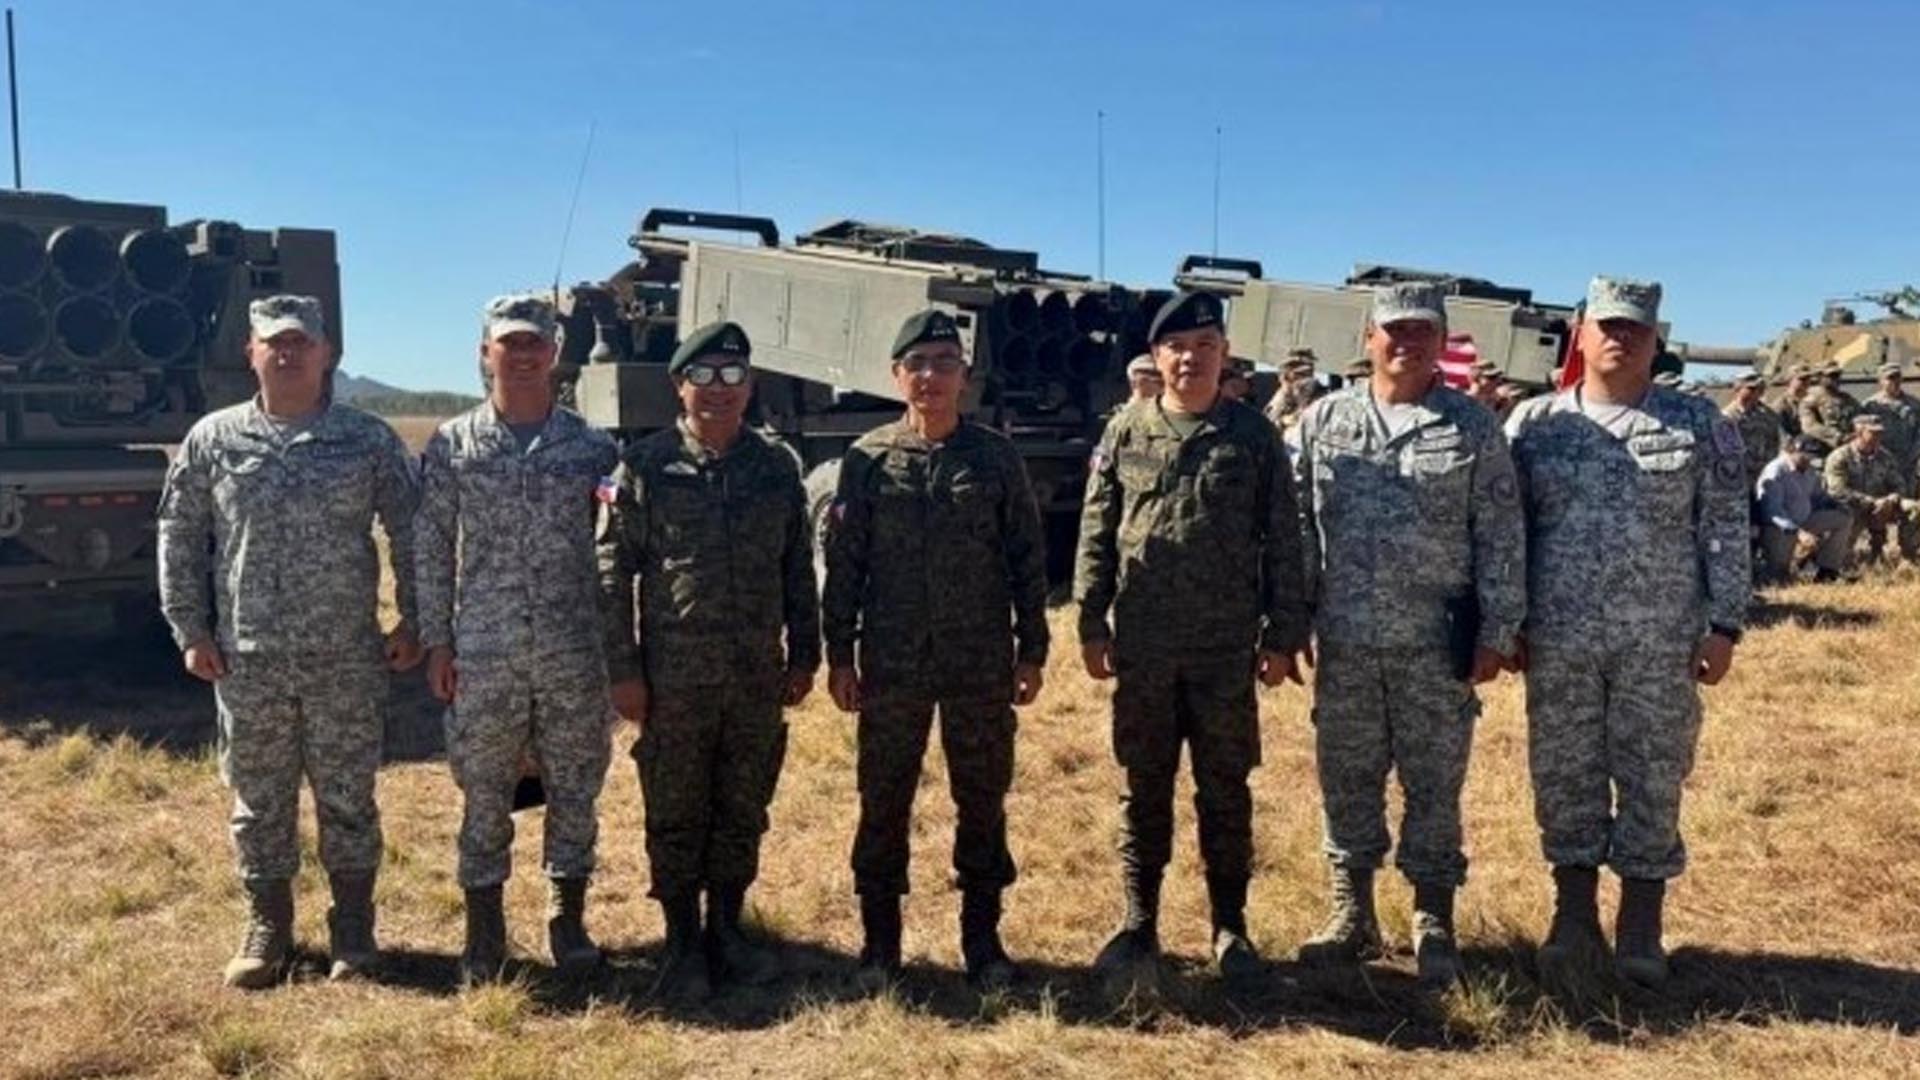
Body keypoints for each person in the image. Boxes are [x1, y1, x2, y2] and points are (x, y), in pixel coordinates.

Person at [157, 295, 421, 988]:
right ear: (251, 352)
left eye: (301, 342)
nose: (288, 353)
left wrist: (414, 620)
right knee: (259, 801)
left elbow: (411, 528)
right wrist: (191, 629)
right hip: (248, 659)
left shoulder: (366, 439)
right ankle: (267, 925)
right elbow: (179, 535)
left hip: (346, 657)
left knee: (349, 797)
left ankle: (353, 927)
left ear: (327, 353)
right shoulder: (214, 439)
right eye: (274, 342)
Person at [1505, 276, 1748, 989]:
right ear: (1580, 333)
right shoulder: (1534, 425)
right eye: (1608, 325)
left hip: (1661, 638)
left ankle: (1641, 921)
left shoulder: (1697, 424)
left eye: (1635, 328)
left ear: (1655, 339)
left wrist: (1725, 624)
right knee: (1564, 772)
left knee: (1653, 771)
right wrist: (1507, 620)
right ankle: (1573, 915)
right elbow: (1507, 533)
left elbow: (1724, 528)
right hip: (1559, 636)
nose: (1621, 338)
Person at [1073, 291, 1309, 991]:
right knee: (1143, 785)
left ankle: (1230, 926)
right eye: (1176, 346)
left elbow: (1284, 539)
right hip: (1144, 645)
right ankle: (1139, 922)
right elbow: (1097, 528)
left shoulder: (1253, 436)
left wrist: (1283, 633)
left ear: (1224, 355)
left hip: (1223, 650)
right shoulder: (1126, 430)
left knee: (1225, 789)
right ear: (1157, 356)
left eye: (1205, 345)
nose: (1190, 358)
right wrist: (1090, 619)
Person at [1291, 282, 1525, 987]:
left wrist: (1499, 628)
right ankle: (1351, 911)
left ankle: (1432, 916)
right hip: (1346, 637)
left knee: (1434, 783)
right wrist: (1291, 617)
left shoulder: (1472, 426)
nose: (1407, 342)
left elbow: (1500, 532)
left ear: (1441, 342)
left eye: (1423, 330)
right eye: (1394, 330)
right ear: (1369, 339)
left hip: (1436, 642)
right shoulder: (1324, 420)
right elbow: (1295, 525)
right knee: (1346, 776)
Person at [822, 309, 1049, 992]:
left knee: (982, 797)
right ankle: (879, 947)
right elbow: (846, 564)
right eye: (917, 364)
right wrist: (840, 654)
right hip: (891, 663)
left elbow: (1027, 557)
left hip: (979, 661)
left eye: (944, 363)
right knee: (883, 797)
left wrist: (1032, 649)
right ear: (897, 376)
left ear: (964, 376)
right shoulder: (868, 459)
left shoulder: (995, 458)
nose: (931, 376)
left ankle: (983, 943)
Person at [596, 320, 821, 1001]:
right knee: (675, 809)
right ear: (679, 385)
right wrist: (624, 671)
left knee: (742, 806)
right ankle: (680, 940)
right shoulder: (645, 466)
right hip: (674, 680)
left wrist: (805, 652)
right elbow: (611, 573)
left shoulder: (775, 467)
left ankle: (727, 928)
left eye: (733, 376)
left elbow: (797, 567)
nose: (718, 389)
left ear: (750, 387)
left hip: (755, 674)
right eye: (704, 375)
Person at [417, 295, 620, 986]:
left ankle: (568, 920)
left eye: (536, 342)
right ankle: (485, 930)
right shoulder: (453, 444)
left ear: (555, 353)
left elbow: (616, 551)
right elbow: (432, 547)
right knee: (483, 792)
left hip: (574, 649)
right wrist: (438, 642)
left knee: (576, 787)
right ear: (486, 353)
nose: (524, 354)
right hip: (486, 649)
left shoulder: (592, 448)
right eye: (510, 343)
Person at [1823, 413, 1918, 566]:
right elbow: (1837, 490)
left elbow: (1899, 484)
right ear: (1859, 433)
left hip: (1883, 506)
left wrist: (1891, 498)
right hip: (1852, 506)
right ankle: (1842, 559)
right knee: (1842, 555)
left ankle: (1909, 557)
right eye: (1873, 433)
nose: (1878, 437)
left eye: (1880, 433)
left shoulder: (1885, 456)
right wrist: (1872, 502)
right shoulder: (1840, 457)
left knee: (1913, 508)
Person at [1755, 435, 1851, 583]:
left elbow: (1817, 496)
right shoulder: (1775, 471)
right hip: (1779, 529)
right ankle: (1787, 567)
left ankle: (1827, 570)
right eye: (1806, 457)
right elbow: (1773, 512)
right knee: (1778, 577)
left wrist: (1836, 504)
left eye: (1812, 458)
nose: (1809, 461)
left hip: (1805, 520)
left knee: (1843, 519)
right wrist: (1800, 533)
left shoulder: (1809, 470)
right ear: (1793, 451)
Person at [1857, 364, 1920, 491]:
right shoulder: (1870, 405)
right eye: (1890, 378)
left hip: (1908, 461)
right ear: (1880, 381)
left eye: (1897, 377)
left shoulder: (1914, 404)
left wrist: (1915, 453)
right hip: (1880, 461)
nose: (1895, 382)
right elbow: (1862, 435)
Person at [1720, 373, 1782, 488]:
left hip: (1763, 475)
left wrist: (1768, 466)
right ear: (1737, 390)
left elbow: (1774, 441)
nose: (1756, 393)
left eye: (1759, 389)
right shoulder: (1727, 417)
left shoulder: (1767, 416)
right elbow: (1727, 452)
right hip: (1738, 477)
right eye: (1751, 389)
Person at [1798, 364, 1859, 449]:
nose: (1836, 379)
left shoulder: (1847, 399)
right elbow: (1810, 426)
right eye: (1832, 376)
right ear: (1820, 377)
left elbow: (1860, 417)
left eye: (1837, 375)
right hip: (1821, 447)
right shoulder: (1810, 400)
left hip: (1849, 445)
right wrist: (1837, 436)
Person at [1772, 365, 1810, 439]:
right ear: (1790, 381)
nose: (1806, 382)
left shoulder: (1812, 398)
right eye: (1802, 379)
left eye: (1808, 378)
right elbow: (1781, 433)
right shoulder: (1781, 404)